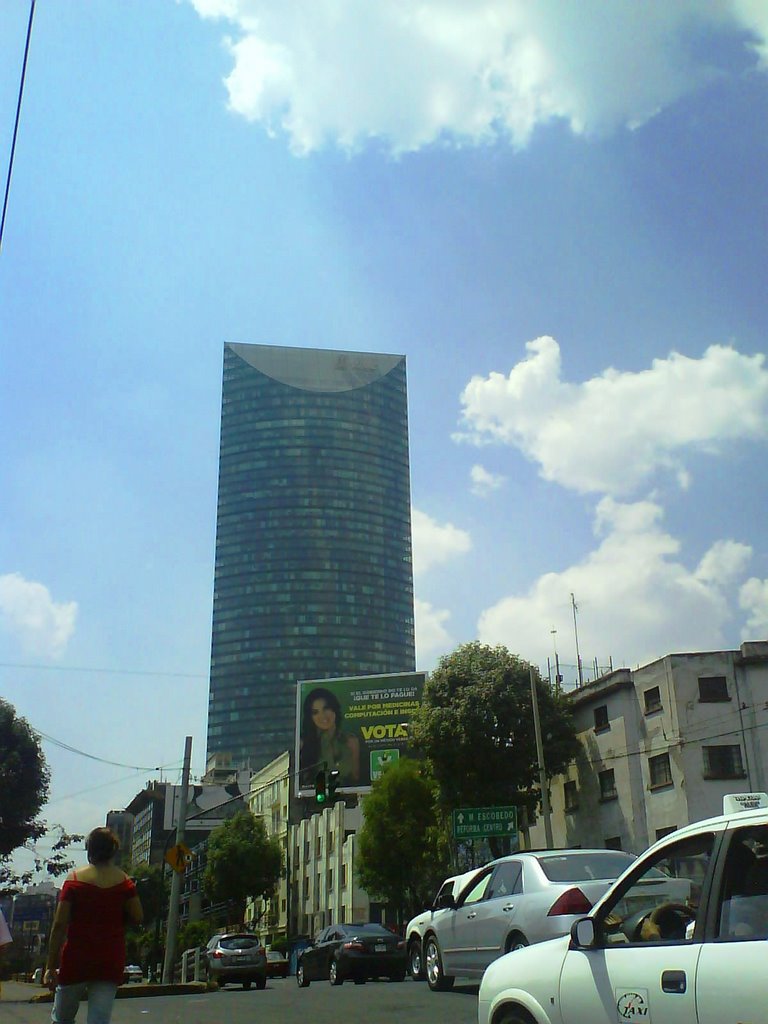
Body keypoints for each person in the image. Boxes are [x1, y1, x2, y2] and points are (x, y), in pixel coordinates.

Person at [44, 827, 143, 1024]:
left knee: (62, 1018)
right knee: (99, 1019)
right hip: (109, 959)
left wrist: (50, 966)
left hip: (76, 959)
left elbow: (59, 925)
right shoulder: (125, 883)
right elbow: (138, 916)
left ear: (89, 849)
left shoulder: (73, 881)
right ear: (113, 850)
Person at [300, 687, 360, 787]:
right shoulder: (304, 744)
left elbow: (357, 779)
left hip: (349, 799)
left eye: (326, 708)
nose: (322, 716)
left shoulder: (351, 742)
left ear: (334, 709)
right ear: (310, 717)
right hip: (316, 800)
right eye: (315, 712)